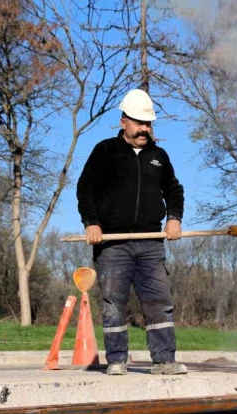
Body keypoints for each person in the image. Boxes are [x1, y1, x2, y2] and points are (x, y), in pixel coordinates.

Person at [76, 89, 187, 376]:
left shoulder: (159, 156)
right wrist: (91, 223)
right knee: (114, 303)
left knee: (159, 303)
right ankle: (116, 361)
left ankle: (164, 361)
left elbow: (174, 190)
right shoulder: (105, 151)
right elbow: (85, 189)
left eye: (148, 123)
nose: (144, 129)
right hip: (113, 245)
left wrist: (174, 219)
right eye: (139, 122)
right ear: (124, 122)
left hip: (150, 243)